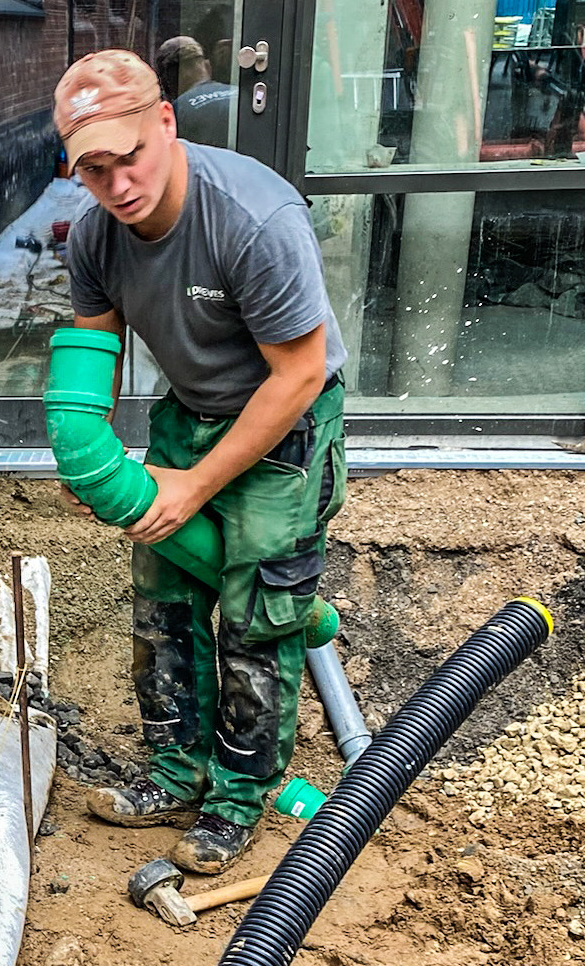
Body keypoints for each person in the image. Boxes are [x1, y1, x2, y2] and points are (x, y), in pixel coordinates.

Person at [53, 49, 348, 873]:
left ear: (167, 123)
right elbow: (93, 362)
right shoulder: (96, 240)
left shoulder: (253, 219)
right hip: (189, 411)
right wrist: (93, 465)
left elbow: (297, 376)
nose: (118, 184)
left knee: (258, 617)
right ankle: (177, 775)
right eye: (95, 169)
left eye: (131, 155)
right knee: (165, 603)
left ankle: (237, 800)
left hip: (282, 423)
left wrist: (196, 485)